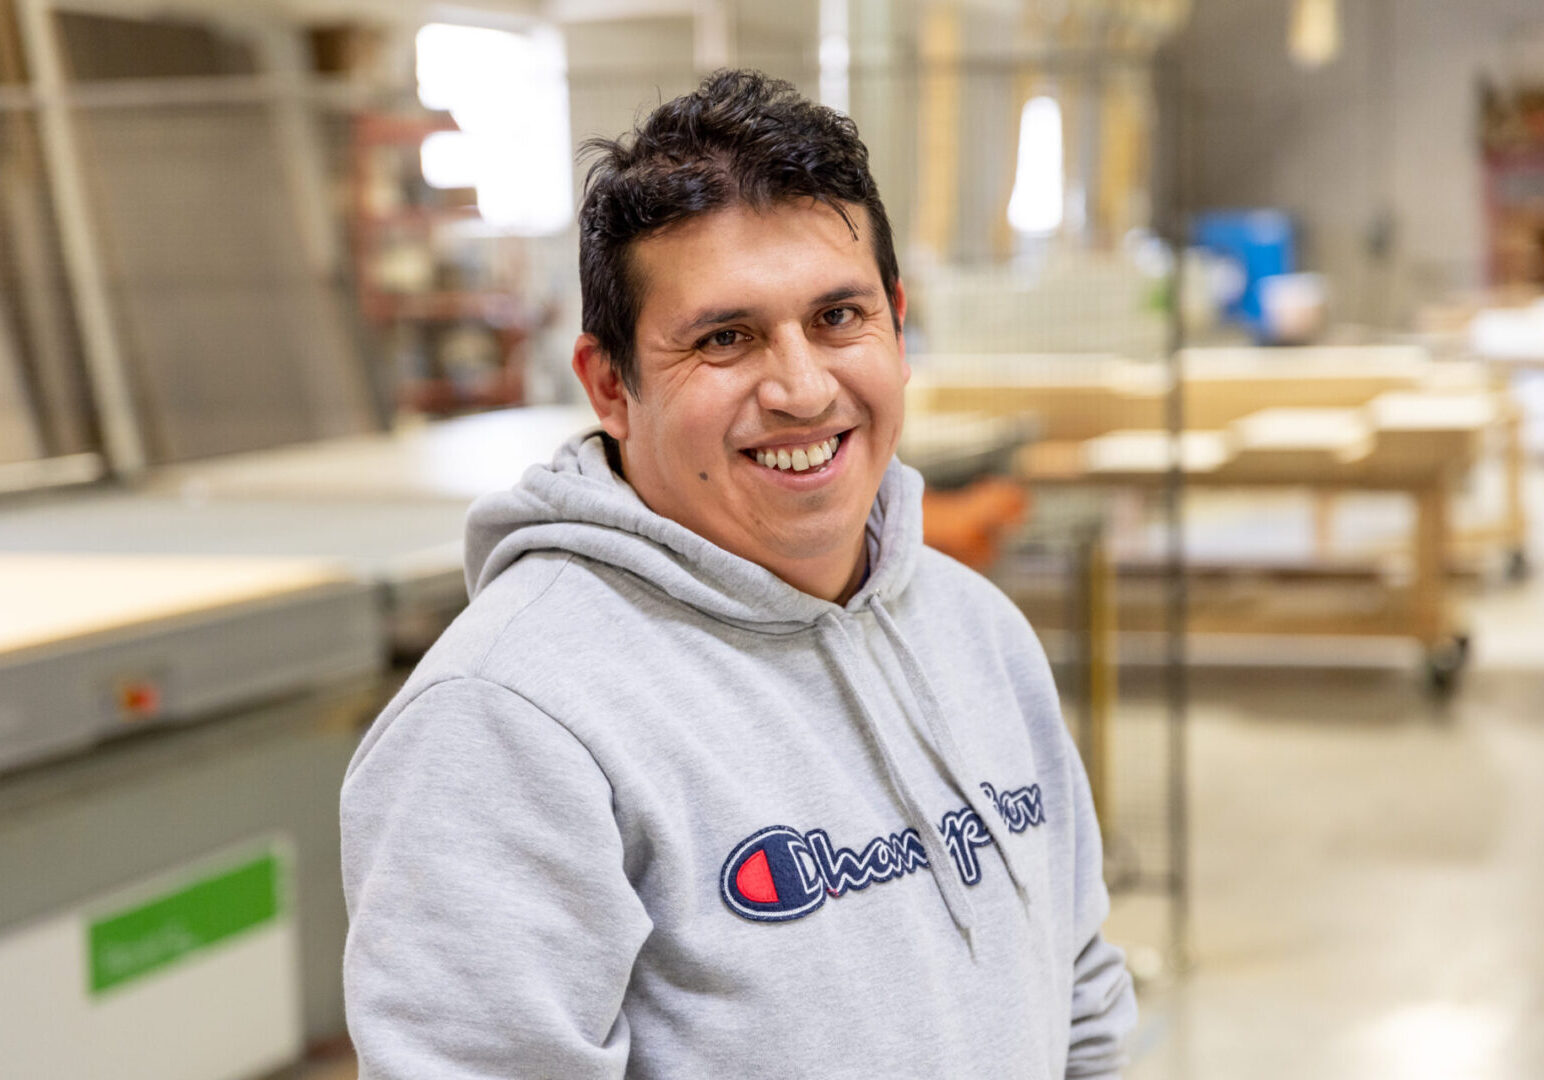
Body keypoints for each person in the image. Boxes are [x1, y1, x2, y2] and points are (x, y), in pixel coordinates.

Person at [341, 69, 1136, 1079]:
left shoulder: (976, 632)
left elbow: (1079, 1003)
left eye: (838, 317)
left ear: (895, 320)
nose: (802, 388)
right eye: (725, 338)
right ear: (609, 385)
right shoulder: (507, 721)